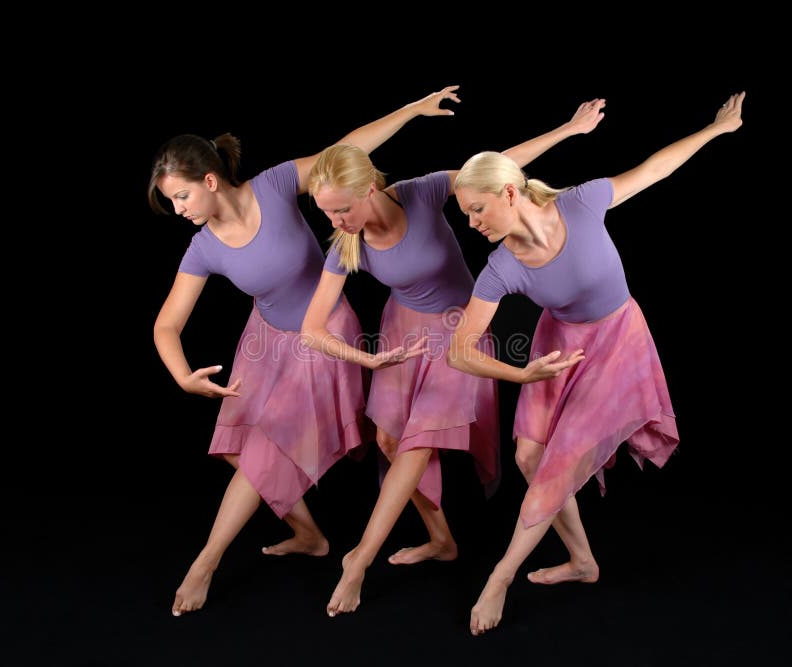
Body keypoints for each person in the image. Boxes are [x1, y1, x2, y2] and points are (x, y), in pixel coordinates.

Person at [147, 85, 463, 617]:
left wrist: (410, 111)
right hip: (264, 341)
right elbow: (166, 325)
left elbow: (349, 147)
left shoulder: (273, 186)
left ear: (208, 180)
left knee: (279, 449)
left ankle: (205, 562)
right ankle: (311, 536)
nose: (178, 210)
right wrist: (182, 376)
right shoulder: (202, 246)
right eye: (171, 202)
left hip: (322, 335)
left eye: (181, 197)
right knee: (233, 447)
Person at [448, 92, 746, 635]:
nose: (470, 223)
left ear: (509, 192)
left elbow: (654, 168)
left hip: (615, 344)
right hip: (556, 347)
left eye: (476, 210)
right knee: (530, 457)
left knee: (558, 466)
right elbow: (459, 348)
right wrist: (521, 374)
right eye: (465, 213)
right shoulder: (499, 268)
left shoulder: (581, 204)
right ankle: (583, 561)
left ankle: (499, 578)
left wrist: (716, 129)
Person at [300, 98, 606, 617]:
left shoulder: (420, 193)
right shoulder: (345, 244)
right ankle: (442, 541)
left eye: (341, 208)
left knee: (418, 443)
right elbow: (311, 328)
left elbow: (497, 166)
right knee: (392, 440)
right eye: (325, 211)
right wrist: (369, 361)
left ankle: (358, 560)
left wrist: (570, 129)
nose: (334, 219)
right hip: (403, 335)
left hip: (459, 331)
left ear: (369, 188)